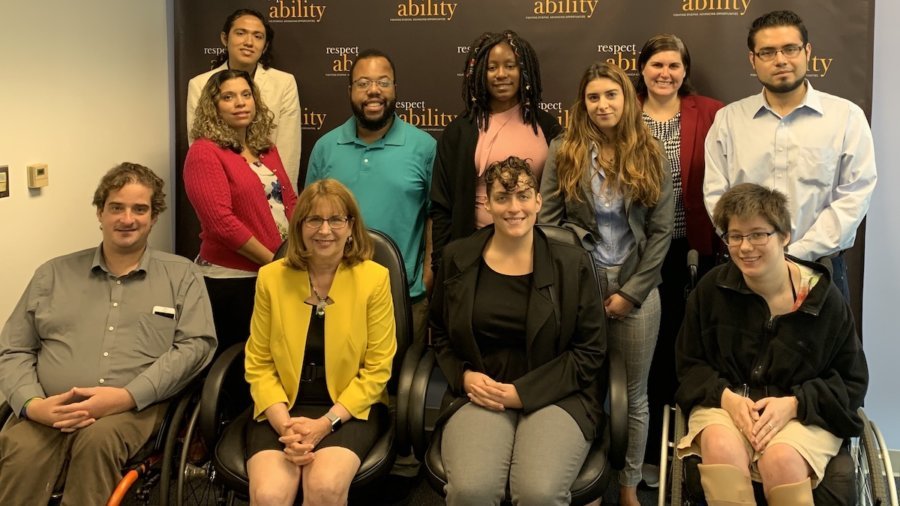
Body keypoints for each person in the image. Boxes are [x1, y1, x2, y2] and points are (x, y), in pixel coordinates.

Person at [0, 163, 217, 505]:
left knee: (97, 442)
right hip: (50, 405)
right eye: (116, 207)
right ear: (100, 213)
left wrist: (126, 397)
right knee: (20, 449)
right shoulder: (53, 274)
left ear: (154, 217)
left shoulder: (181, 276)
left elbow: (196, 347)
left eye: (139, 209)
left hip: (132, 411)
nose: (127, 219)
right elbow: (14, 349)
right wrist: (32, 405)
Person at [675, 183, 868, 506]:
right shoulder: (711, 291)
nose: (745, 247)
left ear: (784, 236)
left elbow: (852, 383)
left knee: (781, 459)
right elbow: (689, 365)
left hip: (800, 411)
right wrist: (728, 399)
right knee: (721, 445)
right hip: (729, 401)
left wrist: (795, 404)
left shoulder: (824, 302)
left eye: (758, 234)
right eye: (735, 236)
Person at [431, 157, 606, 506]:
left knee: (537, 493)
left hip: (558, 395)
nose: (514, 207)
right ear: (488, 204)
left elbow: (590, 352)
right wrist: (464, 377)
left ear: (539, 202)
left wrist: (521, 394)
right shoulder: (457, 258)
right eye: (503, 197)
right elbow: (439, 334)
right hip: (481, 392)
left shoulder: (571, 263)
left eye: (524, 196)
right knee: (471, 492)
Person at [539, 62, 674, 506]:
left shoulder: (651, 151)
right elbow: (548, 223)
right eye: (593, 97)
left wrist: (632, 292)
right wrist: (578, 287)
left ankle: (629, 488)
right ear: (584, 103)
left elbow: (661, 232)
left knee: (635, 397)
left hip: (638, 286)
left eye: (611, 95)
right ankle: (591, 483)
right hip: (580, 285)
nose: (602, 105)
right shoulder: (565, 150)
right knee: (585, 391)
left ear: (626, 99)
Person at [703, 9, 877, 300]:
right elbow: (716, 194)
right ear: (753, 59)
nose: (780, 60)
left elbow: (854, 195)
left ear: (807, 51)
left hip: (819, 269)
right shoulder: (729, 120)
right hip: (748, 269)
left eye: (790, 49)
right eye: (767, 52)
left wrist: (795, 253)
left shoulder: (846, 117)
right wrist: (755, 248)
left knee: (823, 347)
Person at [244, 179, 396, 506]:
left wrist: (324, 424)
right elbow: (258, 363)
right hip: (282, 407)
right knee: (269, 495)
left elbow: (377, 370)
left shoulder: (374, 278)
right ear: (299, 228)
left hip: (348, 409)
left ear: (351, 227)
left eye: (336, 219)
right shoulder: (271, 278)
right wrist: (286, 425)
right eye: (314, 220)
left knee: (325, 488)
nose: (324, 230)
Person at [634, 33, 724, 484]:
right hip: (639, 255)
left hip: (696, 251)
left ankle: (694, 450)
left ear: (685, 70)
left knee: (691, 350)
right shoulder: (622, 110)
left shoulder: (710, 112)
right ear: (643, 69)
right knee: (650, 356)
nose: (665, 73)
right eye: (656, 65)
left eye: (673, 65)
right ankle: (649, 453)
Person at [306, 49, 435, 344]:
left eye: (383, 82)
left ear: (395, 89)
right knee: (339, 383)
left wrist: (427, 278)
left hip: (402, 296)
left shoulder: (424, 147)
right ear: (350, 90)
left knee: (398, 385)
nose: (373, 91)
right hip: (334, 294)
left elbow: (434, 217)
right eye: (363, 83)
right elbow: (307, 221)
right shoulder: (326, 147)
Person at [430, 30, 562, 273]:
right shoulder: (460, 131)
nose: (501, 75)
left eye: (510, 66)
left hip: (536, 253)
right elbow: (442, 206)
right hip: (473, 255)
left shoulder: (547, 126)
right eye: (492, 68)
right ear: (480, 73)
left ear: (524, 71)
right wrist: (441, 264)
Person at [185, 68, 298, 353]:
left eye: (246, 95)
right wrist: (276, 261)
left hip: (275, 272)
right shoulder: (204, 152)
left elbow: (290, 203)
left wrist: (295, 256)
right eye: (228, 97)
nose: (240, 103)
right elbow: (221, 224)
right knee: (237, 370)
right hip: (232, 281)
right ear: (214, 106)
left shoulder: (266, 148)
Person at [187, 8, 302, 187]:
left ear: (265, 46)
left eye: (258, 36)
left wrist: (283, 198)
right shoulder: (200, 84)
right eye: (241, 33)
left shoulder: (284, 83)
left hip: (272, 190)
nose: (249, 42)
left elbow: (289, 150)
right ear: (225, 38)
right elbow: (200, 149)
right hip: (222, 187)